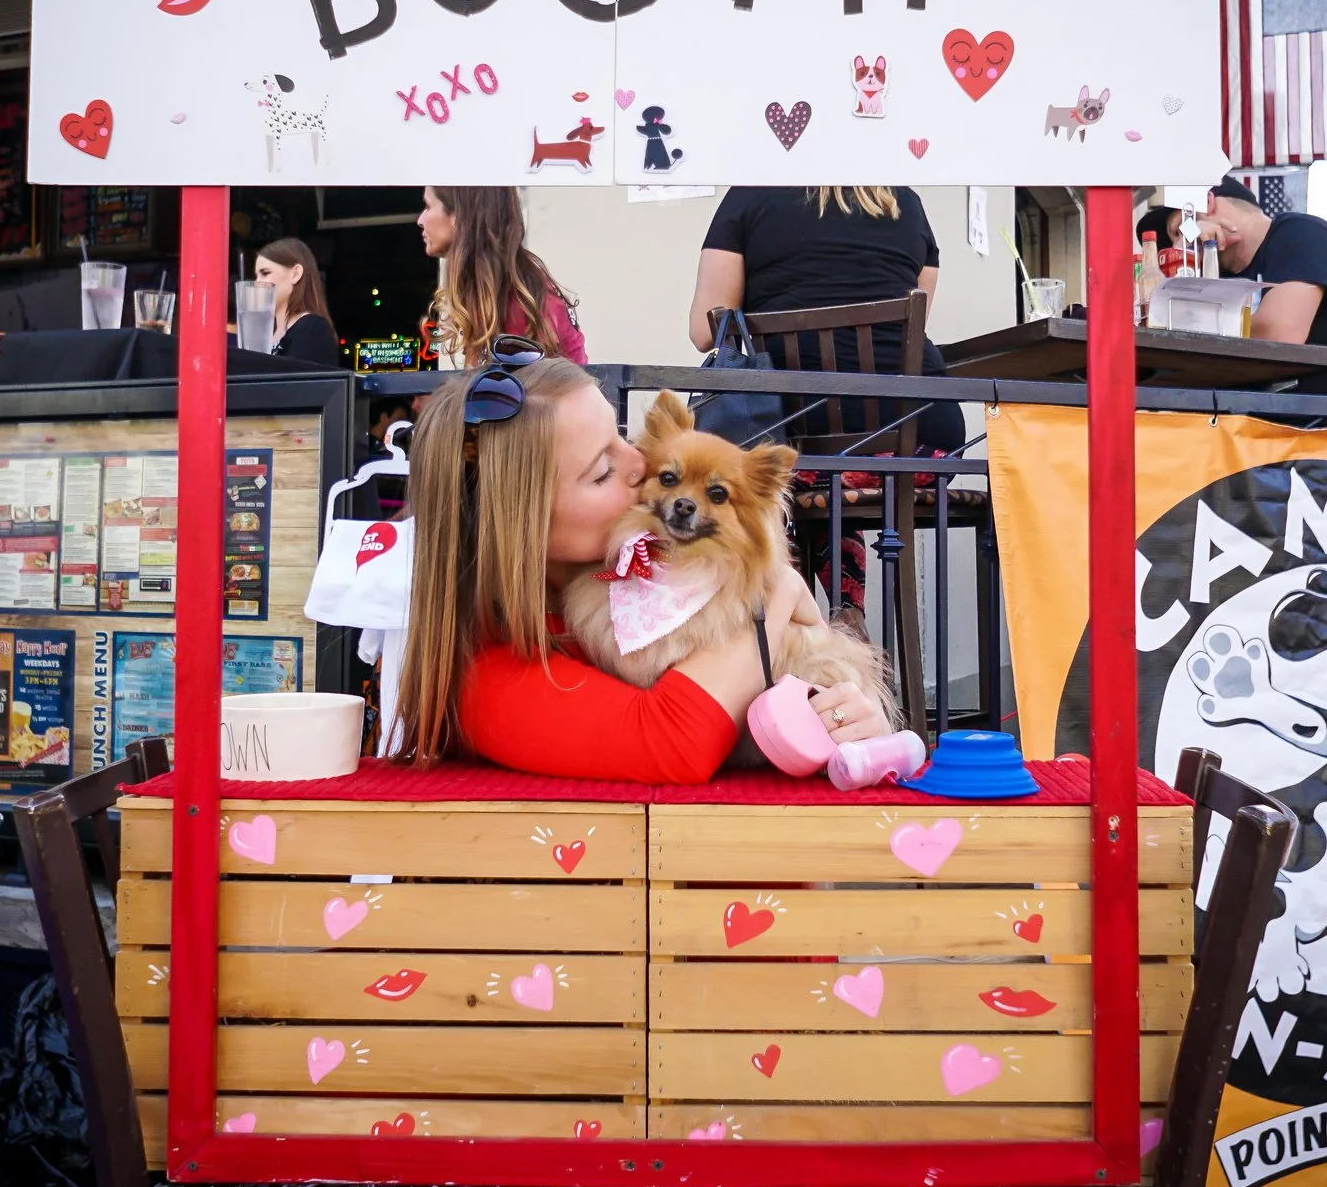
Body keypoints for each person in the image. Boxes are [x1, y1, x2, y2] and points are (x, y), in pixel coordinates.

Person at [395, 347, 889, 782]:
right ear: (518, 524)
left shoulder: (645, 588)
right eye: (603, 471)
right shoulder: (489, 676)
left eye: (622, 438)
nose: (640, 463)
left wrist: (852, 717)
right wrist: (777, 594)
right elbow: (675, 741)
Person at [687, 184, 965, 453]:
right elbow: (916, 323)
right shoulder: (906, 202)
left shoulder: (749, 195)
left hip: (790, 440)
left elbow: (704, 332)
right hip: (923, 437)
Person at [1200, 179, 1327, 399]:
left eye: (1179, 230)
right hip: (1278, 414)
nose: (1180, 245)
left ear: (1207, 203)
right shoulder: (1218, 273)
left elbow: (1278, 336)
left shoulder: (1303, 234)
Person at [418, 186, 588, 366]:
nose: (420, 220)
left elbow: (529, 382)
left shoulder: (516, 300)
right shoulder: (498, 288)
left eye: (428, 206)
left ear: (459, 215)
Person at [254, 239, 341, 367]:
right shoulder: (268, 332)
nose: (257, 283)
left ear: (295, 274)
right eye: (256, 276)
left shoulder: (312, 329)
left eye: (265, 273)